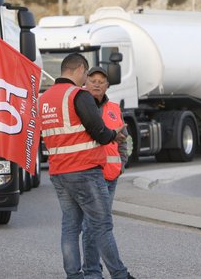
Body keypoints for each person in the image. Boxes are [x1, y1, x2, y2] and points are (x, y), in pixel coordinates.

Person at [38, 54, 134, 279]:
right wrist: (114, 135)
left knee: (70, 227)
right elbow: (99, 132)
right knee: (102, 225)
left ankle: (74, 275)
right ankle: (120, 275)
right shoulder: (78, 96)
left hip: (58, 172)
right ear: (80, 68)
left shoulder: (44, 99)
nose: (87, 80)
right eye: (86, 74)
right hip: (84, 170)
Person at [82, 67, 130, 278]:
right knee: (93, 224)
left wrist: (121, 165)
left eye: (101, 81)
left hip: (111, 175)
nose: (97, 84)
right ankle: (93, 271)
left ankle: (93, 270)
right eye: (93, 80)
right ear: (85, 82)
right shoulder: (81, 106)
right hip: (92, 174)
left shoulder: (113, 108)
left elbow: (123, 138)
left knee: (98, 224)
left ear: (107, 86)